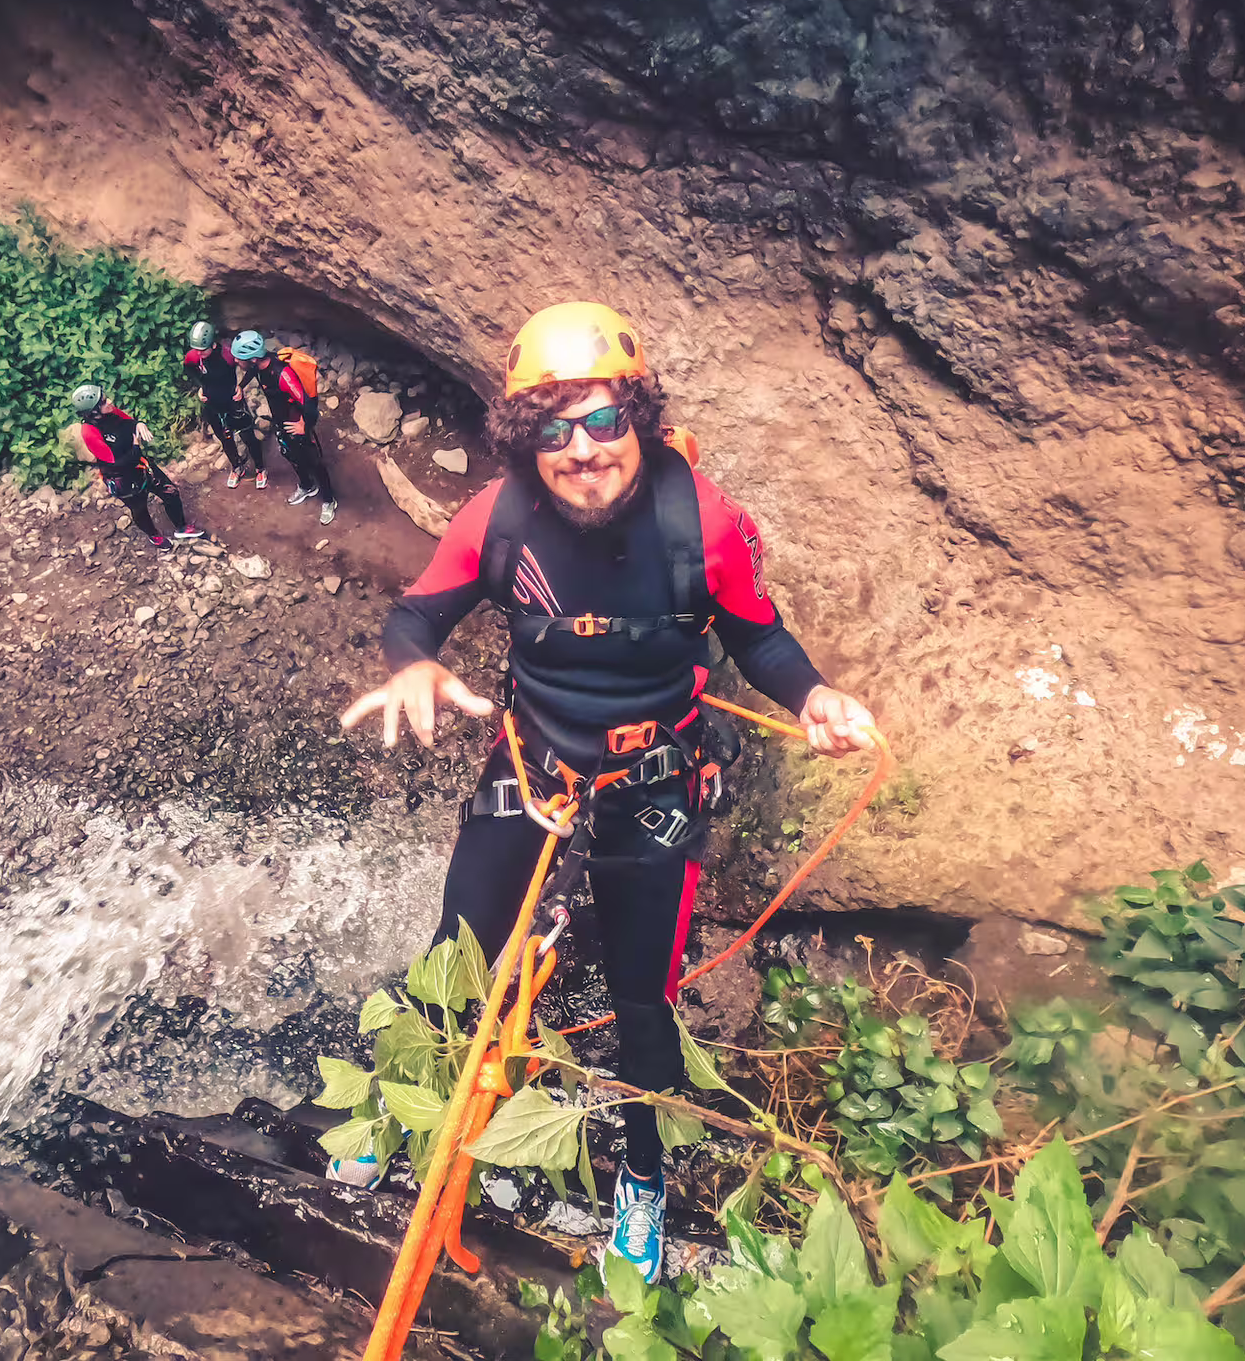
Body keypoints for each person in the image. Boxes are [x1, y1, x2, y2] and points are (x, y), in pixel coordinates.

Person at [340, 302, 877, 1283]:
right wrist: (412, 663)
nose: (583, 449)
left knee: (642, 996)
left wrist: (814, 694)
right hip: (534, 761)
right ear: (523, 438)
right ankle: (400, 1103)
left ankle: (640, 1172)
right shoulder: (496, 518)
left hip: (654, 775)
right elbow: (420, 613)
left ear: (637, 418)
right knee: (457, 946)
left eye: (603, 422)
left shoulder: (701, 522)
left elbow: (757, 634)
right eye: (554, 427)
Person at [71, 384, 206, 550]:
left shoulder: (111, 412)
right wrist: (135, 448)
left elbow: (128, 423)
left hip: (140, 465)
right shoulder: (89, 432)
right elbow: (116, 463)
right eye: (104, 401)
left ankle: (181, 527)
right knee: (140, 508)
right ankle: (154, 535)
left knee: (170, 491)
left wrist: (139, 424)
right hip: (120, 477)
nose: (110, 401)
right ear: (93, 412)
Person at [231, 330, 338, 525]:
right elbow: (251, 372)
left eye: (239, 359)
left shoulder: (282, 374)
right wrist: (241, 385)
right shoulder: (258, 366)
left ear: (253, 359)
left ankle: (329, 500)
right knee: (289, 453)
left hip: (296, 423)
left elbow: (309, 405)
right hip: (281, 422)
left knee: (315, 461)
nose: (237, 362)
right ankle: (307, 486)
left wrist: (303, 426)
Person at [183, 320, 268, 490]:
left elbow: (253, 367)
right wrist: (200, 386)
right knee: (225, 438)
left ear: (213, 345)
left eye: (202, 349)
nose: (198, 353)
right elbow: (189, 369)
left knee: (248, 437)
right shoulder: (193, 356)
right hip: (212, 404)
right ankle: (237, 467)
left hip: (233, 401)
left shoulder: (228, 355)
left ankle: (260, 468)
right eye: (196, 349)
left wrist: (241, 386)